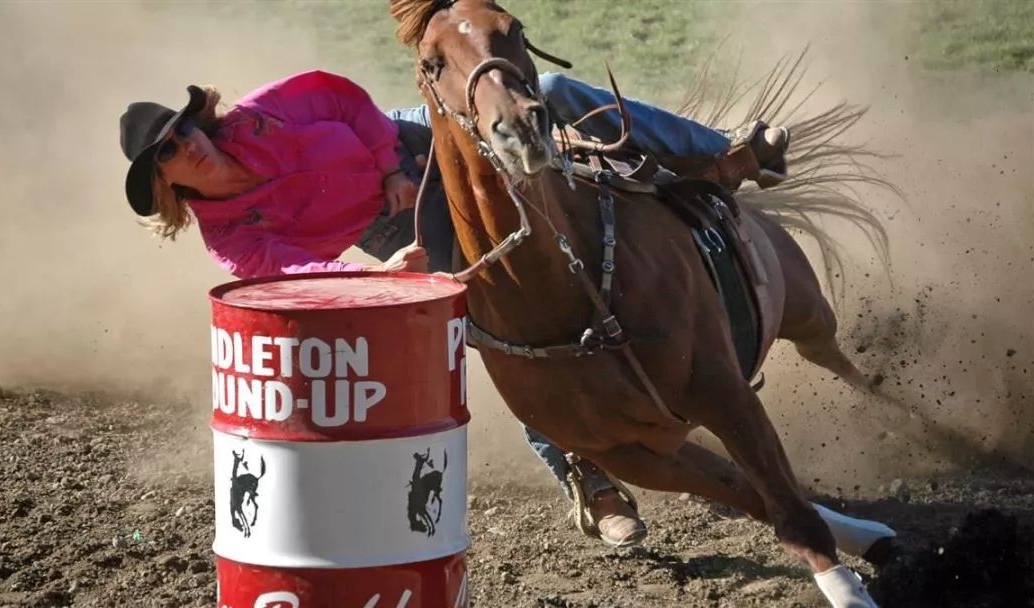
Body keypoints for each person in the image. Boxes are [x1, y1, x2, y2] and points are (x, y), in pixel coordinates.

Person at [119, 69, 789, 548]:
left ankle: (718, 153)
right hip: (388, 234)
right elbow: (293, 271)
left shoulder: (257, 116)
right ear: (164, 182)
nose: (189, 144)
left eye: (182, 129)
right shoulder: (229, 235)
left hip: (410, 148)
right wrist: (377, 277)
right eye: (171, 151)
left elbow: (344, 98)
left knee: (550, 96)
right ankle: (584, 470)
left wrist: (389, 168)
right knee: (503, 326)